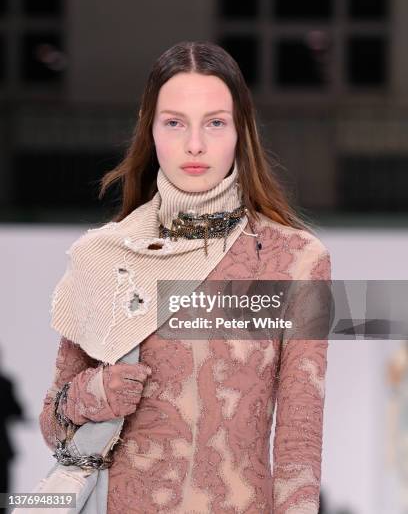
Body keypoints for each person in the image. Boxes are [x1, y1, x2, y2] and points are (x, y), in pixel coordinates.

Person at [39, 41, 332, 513]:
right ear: (150, 130)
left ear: (241, 132)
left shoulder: (294, 260)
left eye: (215, 123)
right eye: (174, 122)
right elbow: (53, 426)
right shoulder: (103, 256)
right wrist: (94, 395)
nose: (194, 144)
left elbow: (299, 439)